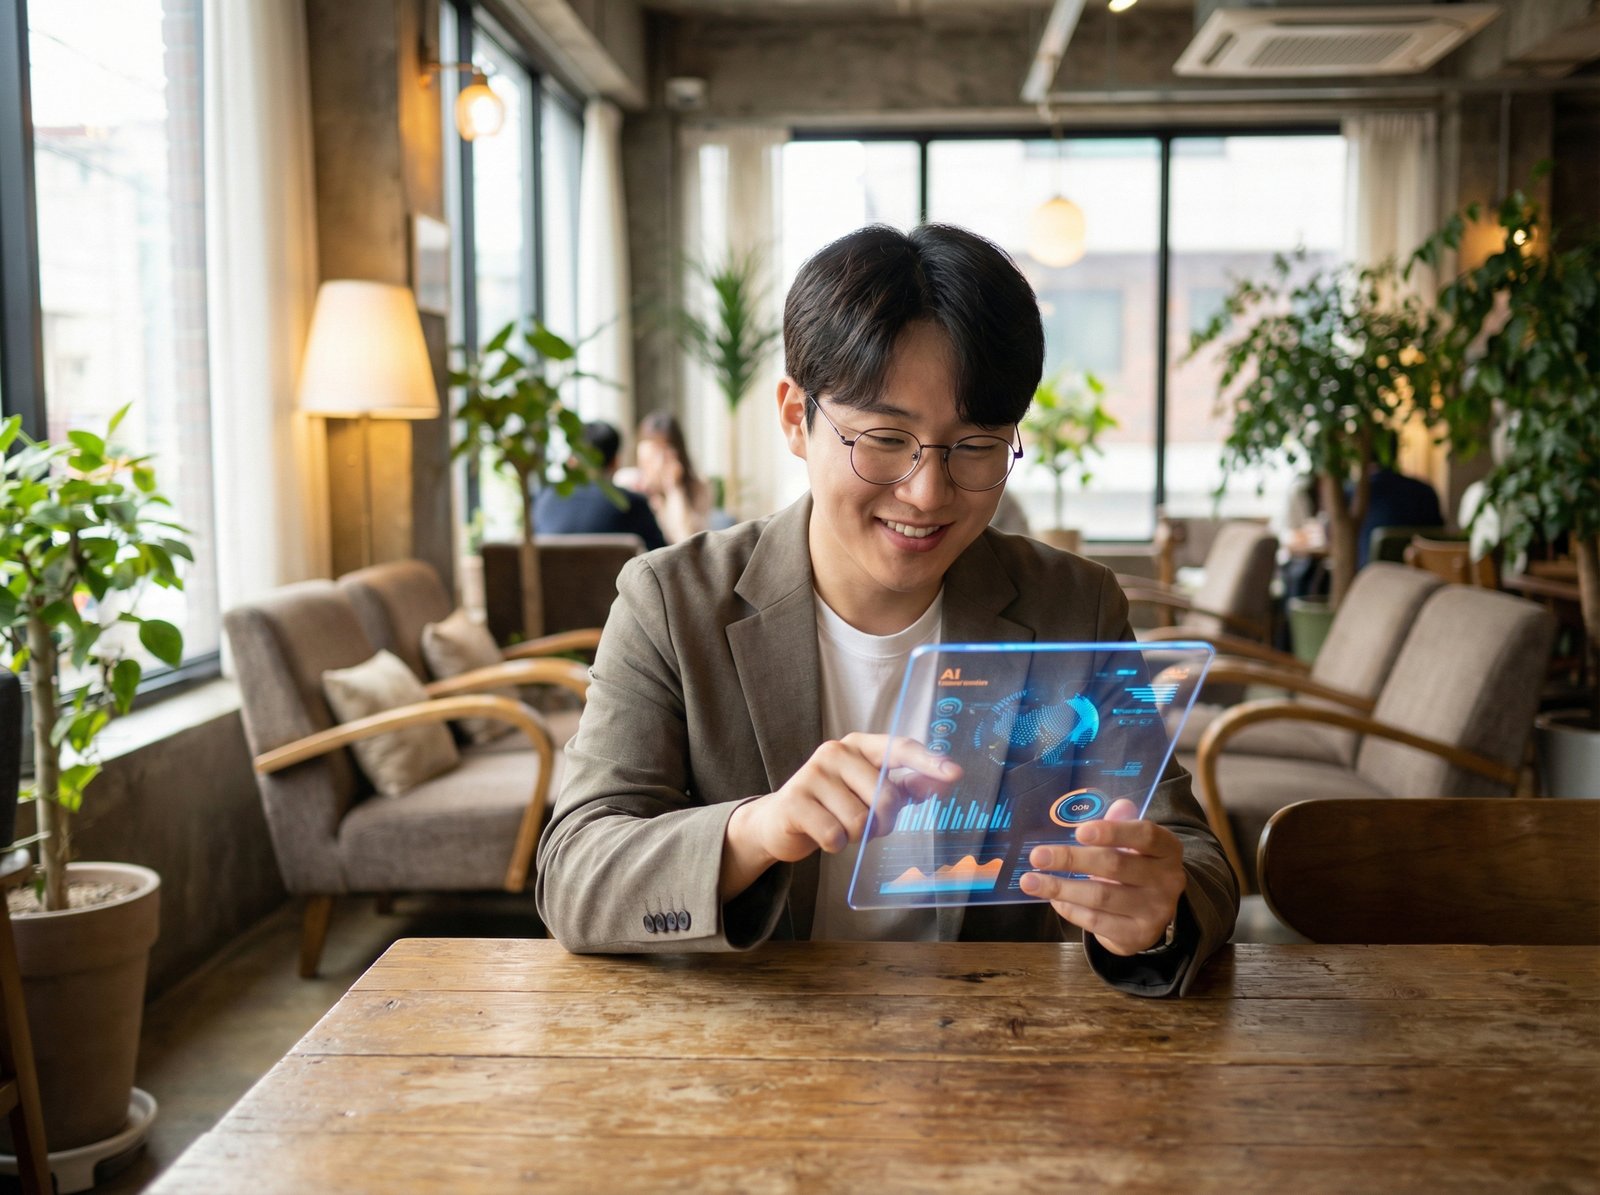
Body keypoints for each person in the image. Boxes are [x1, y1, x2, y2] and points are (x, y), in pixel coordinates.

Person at [536, 224, 1238, 998]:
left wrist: (1154, 911)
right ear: (795, 418)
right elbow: (575, 871)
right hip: (752, 1042)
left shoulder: (1072, 605)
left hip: (992, 1034)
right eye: (884, 438)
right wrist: (760, 828)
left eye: (976, 445)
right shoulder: (673, 601)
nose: (927, 493)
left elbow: (1190, 852)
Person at [533, 420, 667, 551]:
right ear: (616, 461)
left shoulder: (542, 499)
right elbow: (662, 558)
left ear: (572, 461)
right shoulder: (632, 505)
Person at [617, 411, 713, 543]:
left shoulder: (698, 486)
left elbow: (687, 541)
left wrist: (674, 488)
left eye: (665, 450)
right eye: (654, 450)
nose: (659, 461)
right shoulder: (627, 482)